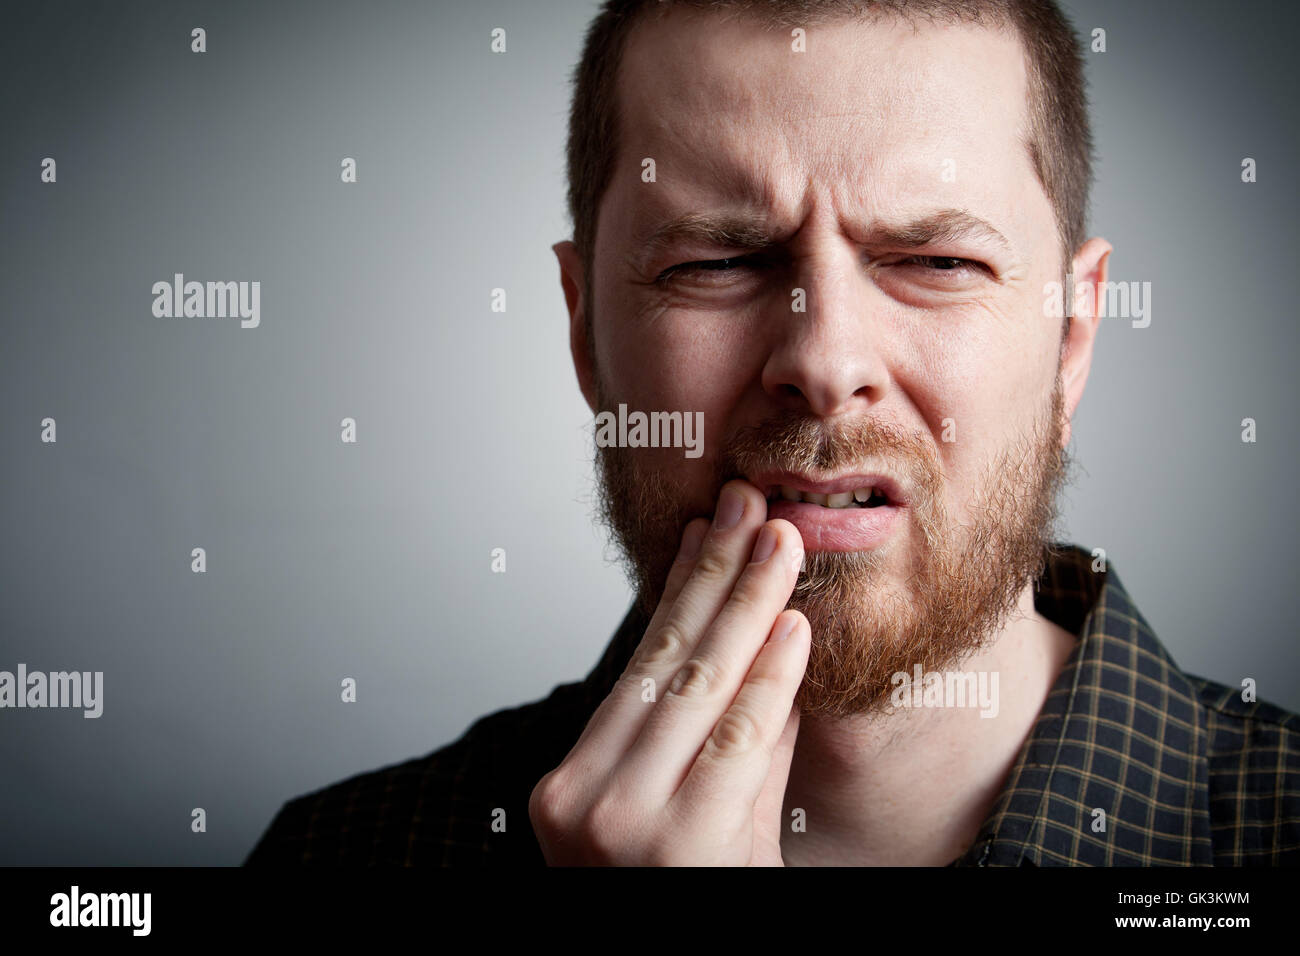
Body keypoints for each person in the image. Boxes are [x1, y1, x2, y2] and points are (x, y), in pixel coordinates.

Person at [246, 0, 1300, 866]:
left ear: (1071, 331)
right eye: (713, 264)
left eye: (935, 263)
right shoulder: (343, 855)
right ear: (585, 334)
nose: (825, 361)